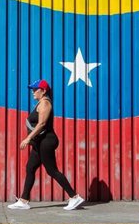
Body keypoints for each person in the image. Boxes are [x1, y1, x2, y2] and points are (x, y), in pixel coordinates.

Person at [8, 79, 85, 211]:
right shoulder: (40, 102)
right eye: (32, 89)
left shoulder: (45, 103)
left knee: (52, 170)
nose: (33, 92)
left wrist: (28, 139)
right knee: (30, 167)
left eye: (35, 89)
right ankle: (23, 201)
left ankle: (74, 196)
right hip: (40, 142)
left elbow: (42, 124)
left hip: (46, 141)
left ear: (43, 91)